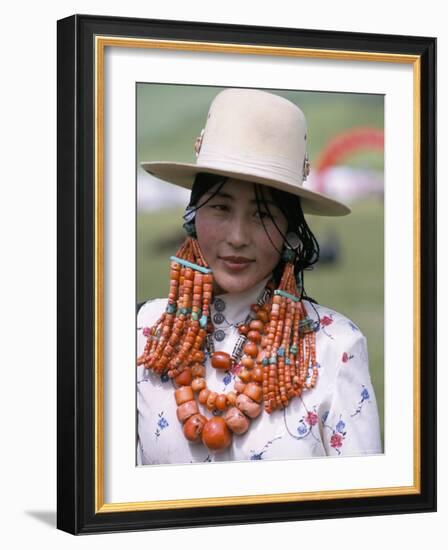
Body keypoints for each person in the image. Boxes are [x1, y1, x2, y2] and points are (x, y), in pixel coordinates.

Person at [136, 88, 382, 464]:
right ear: (192, 216)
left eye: (263, 214)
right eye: (220, 207)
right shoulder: (141, 336)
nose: (238, 237)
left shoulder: (336, 346)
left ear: (290, 230)